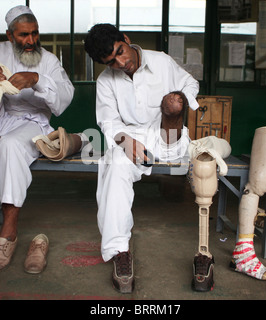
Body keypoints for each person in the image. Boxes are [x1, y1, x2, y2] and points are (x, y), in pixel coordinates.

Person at [0, 5, 86, 274]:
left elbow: (64, 98)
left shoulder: (48, 60)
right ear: (10, 35)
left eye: (34, 34)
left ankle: (7, 233)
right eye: (23, 35)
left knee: (9, 146)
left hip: (31, 124)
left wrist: (36, 79)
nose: (30, 41)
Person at [84, 23, 200, 293]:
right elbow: (108, 121)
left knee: (172, 107)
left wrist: (182, 100)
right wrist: (125, 142)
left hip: (166, 132)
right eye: (111, 62)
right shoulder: (105, 81)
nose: (121, 63)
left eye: (120, 52)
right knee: (113, 165)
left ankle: (171, 118)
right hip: (133, 136)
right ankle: (119, 251)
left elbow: (190, 83)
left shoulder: (161, 61)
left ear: (126, 39)